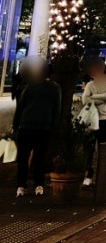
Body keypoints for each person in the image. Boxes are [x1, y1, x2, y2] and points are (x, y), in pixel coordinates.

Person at [12, 57, 61, 197]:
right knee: (39, 157)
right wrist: (53, 126)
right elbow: (57, 110)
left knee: (22, 157)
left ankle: (21, 186)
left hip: (25, 126)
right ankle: (39, 185)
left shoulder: (29, 87)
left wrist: (15, 125)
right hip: (44, 127)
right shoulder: (55, 88)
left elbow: (20, 107)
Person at [81, 57, 106, 187]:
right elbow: (85, 100)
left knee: (104, 148)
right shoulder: (91, 84)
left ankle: (102, 175)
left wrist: (93, 97)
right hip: (92, 119)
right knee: (89, 149)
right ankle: (89, 175)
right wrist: (101, 98)